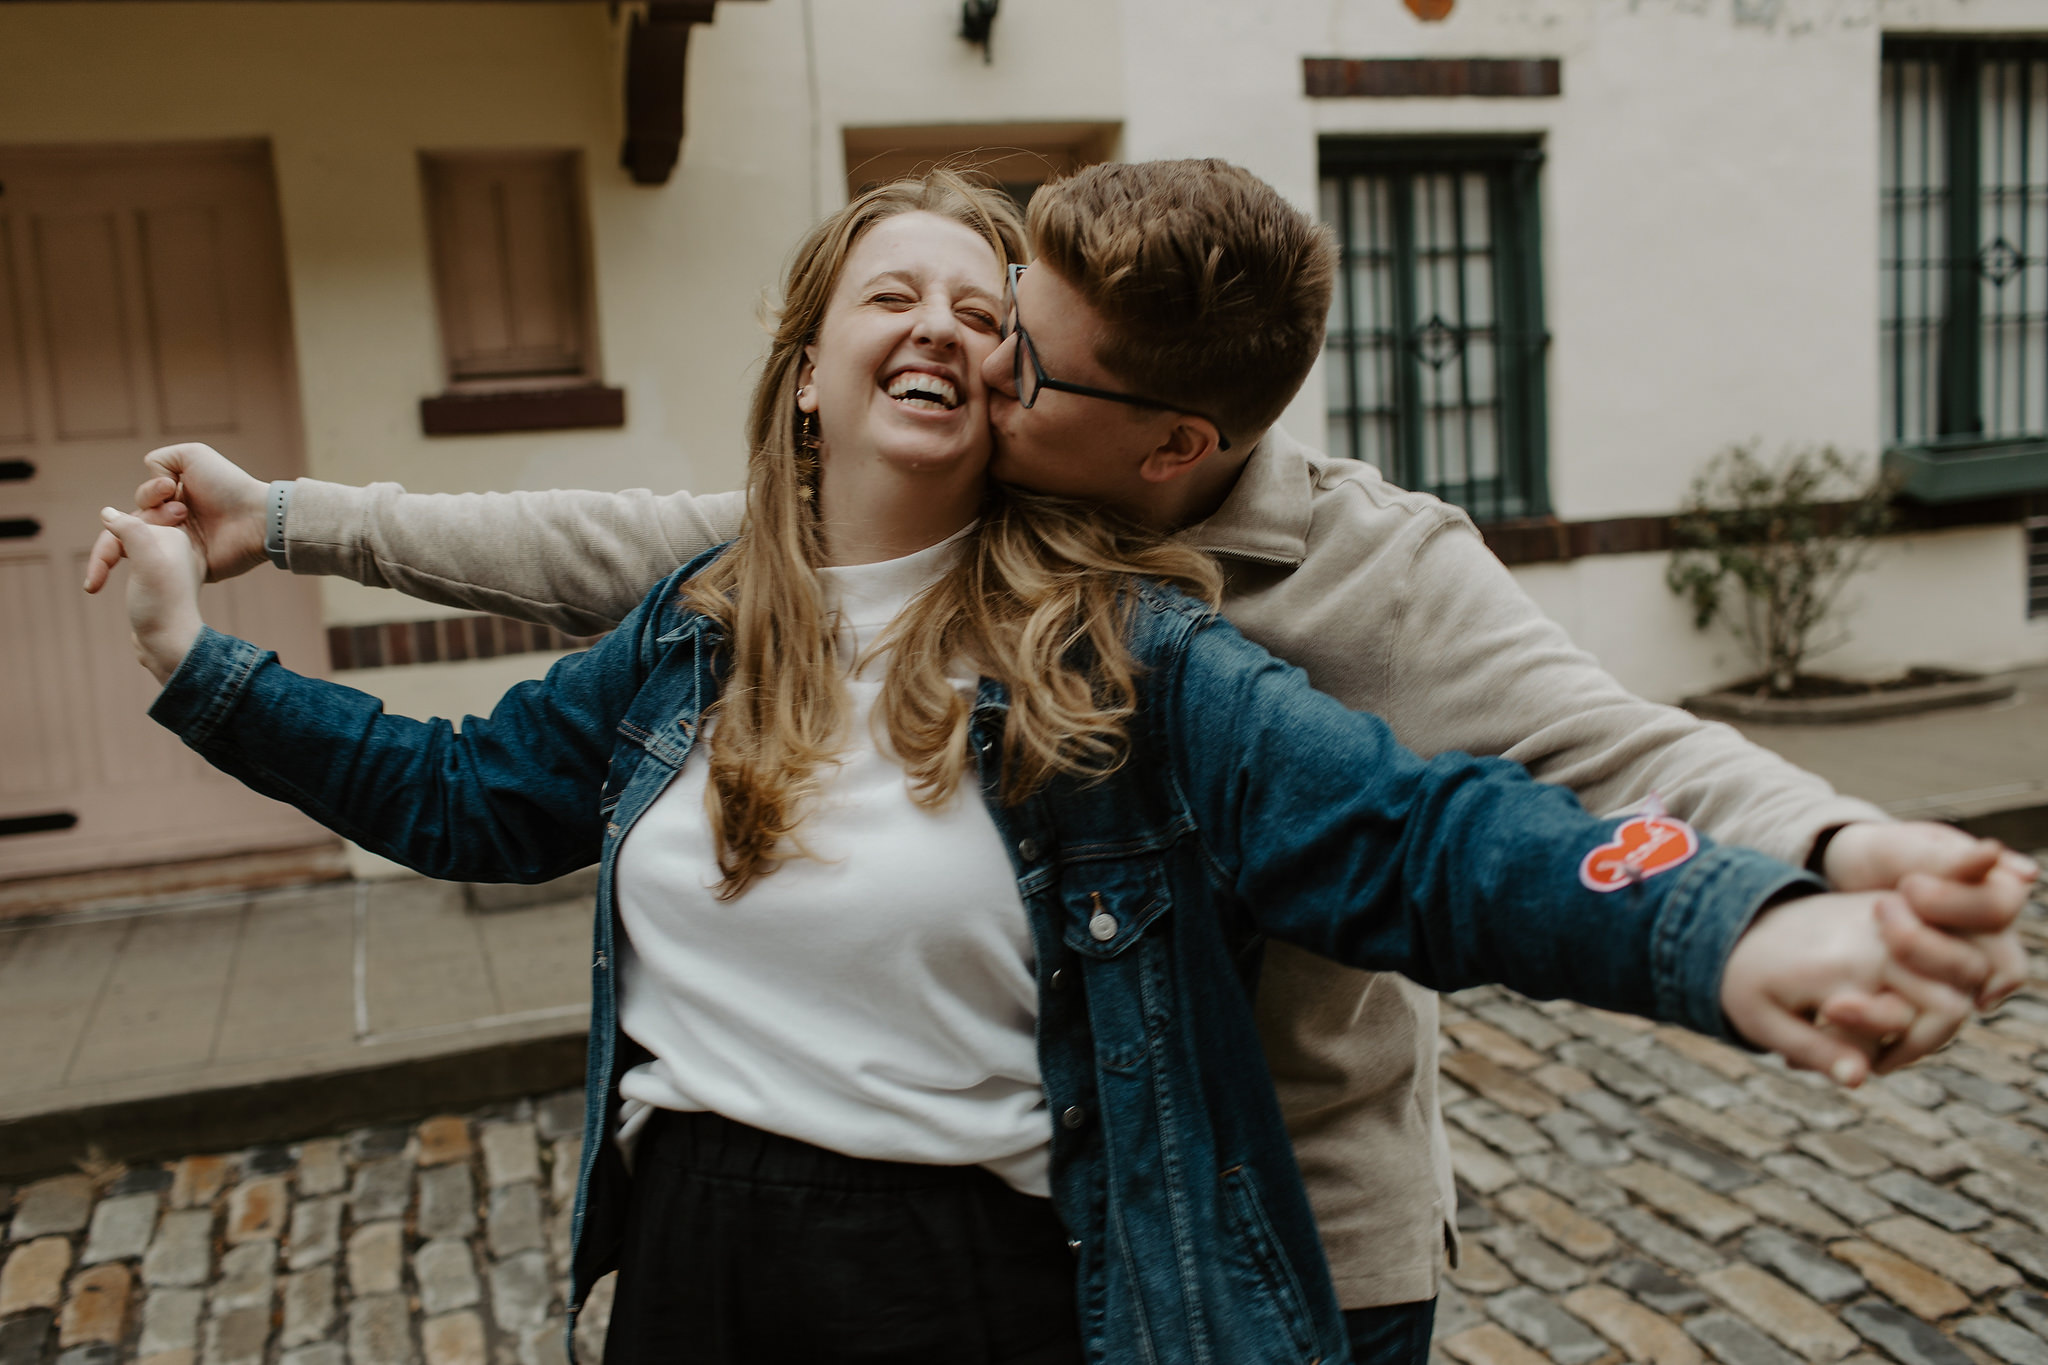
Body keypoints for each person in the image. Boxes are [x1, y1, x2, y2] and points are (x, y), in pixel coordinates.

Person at [88, 165, 2033, 1364]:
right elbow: (562, 652)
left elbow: (1509, 800)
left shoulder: (1258, 611)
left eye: (1017, 349)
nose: (981, 360)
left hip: (1257, 1210)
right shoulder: (750, 587)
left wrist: (1792, 884)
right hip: (804, 1237)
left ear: (1165, 442)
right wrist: (281, 545)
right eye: (953, 313)